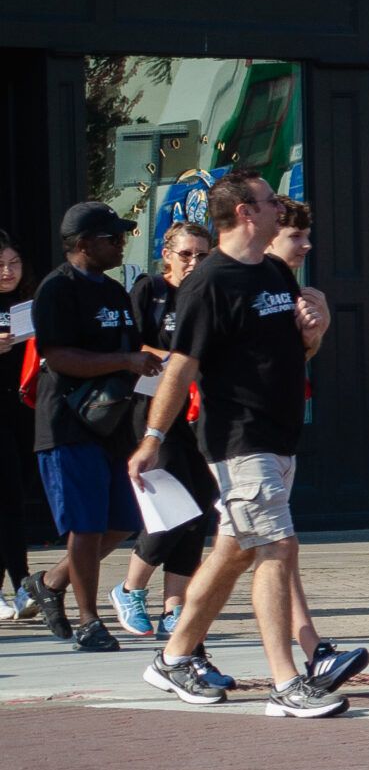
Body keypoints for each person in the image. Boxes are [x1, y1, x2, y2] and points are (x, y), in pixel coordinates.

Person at [129, 172, 351, 715]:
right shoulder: (209, 282)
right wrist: (153, 437)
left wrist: (315, 331)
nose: (281, 209)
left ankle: (174, 656)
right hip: (237, 439)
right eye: (270, 202)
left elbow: (295, 356)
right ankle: (285, 684)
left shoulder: (274, 272)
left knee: (234, 552)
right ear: (247, 213)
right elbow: (181, 367)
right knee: (277, 548)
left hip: (279, 437)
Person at [25, 203, 159, 651]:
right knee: (84, 525)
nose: (121, 243)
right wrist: (123, 360)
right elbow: (58, 356)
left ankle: (51, 582)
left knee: (123, 520)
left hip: (112, 422)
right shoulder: (56, 291)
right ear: (83, 244)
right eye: (112, 237)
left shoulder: (116, 292)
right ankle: (88, 621)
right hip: (68, 423)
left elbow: (129, 347)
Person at [114, 222, 218, 639]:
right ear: (167, 255)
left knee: (199, 510)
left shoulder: (209, 294)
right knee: (173, 507)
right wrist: (179, 361)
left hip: (201, 413)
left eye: (202, 255)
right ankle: (129, 588)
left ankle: (174, 606)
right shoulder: (150, 291)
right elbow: (130, 346)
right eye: (186, 253)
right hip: (156, 410)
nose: (194, 262)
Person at [0, 231, 37, 623]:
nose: (8, 272)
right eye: (0, 265)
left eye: (14, 263)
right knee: (8, 500)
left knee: (15, 498)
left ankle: (20, 587)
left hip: (23, 408)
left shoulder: (27, 304)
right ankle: (25, 584)